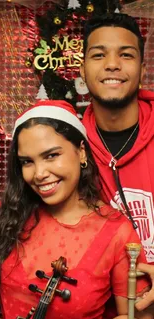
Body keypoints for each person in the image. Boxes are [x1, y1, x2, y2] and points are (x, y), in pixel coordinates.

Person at [0, 100, 152, 319]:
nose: (39, 173)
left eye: (51, 155)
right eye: (27, 162)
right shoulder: (10, 216)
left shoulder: (116, 231)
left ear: (81, 152)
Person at [81, 12, 154, 264]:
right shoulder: (69, 146)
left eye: (126, 54)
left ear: (143, 70)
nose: (112, 64)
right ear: (82, 69)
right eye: (99, 55)